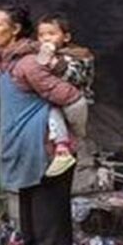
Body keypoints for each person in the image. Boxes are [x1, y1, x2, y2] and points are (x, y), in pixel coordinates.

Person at [0, 3, 85, 245]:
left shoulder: (28, 64)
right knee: (30, 232)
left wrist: (72, 139)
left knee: (50, 232)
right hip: (24, 158)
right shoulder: (6, 66)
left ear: (15, 30)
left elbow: (72, 98)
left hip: (47, 159)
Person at [34, 13, 94, 178]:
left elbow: (77, 77)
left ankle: (72, 144)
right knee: (51, 110)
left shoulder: (80, 54)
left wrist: (55, 63)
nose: (46, 38)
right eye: (41, 35)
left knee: (75, 129)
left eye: (51, 34)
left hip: (76, 101)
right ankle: (62, 149)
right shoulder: (40, 54)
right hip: (55, 102)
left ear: (66, 37)